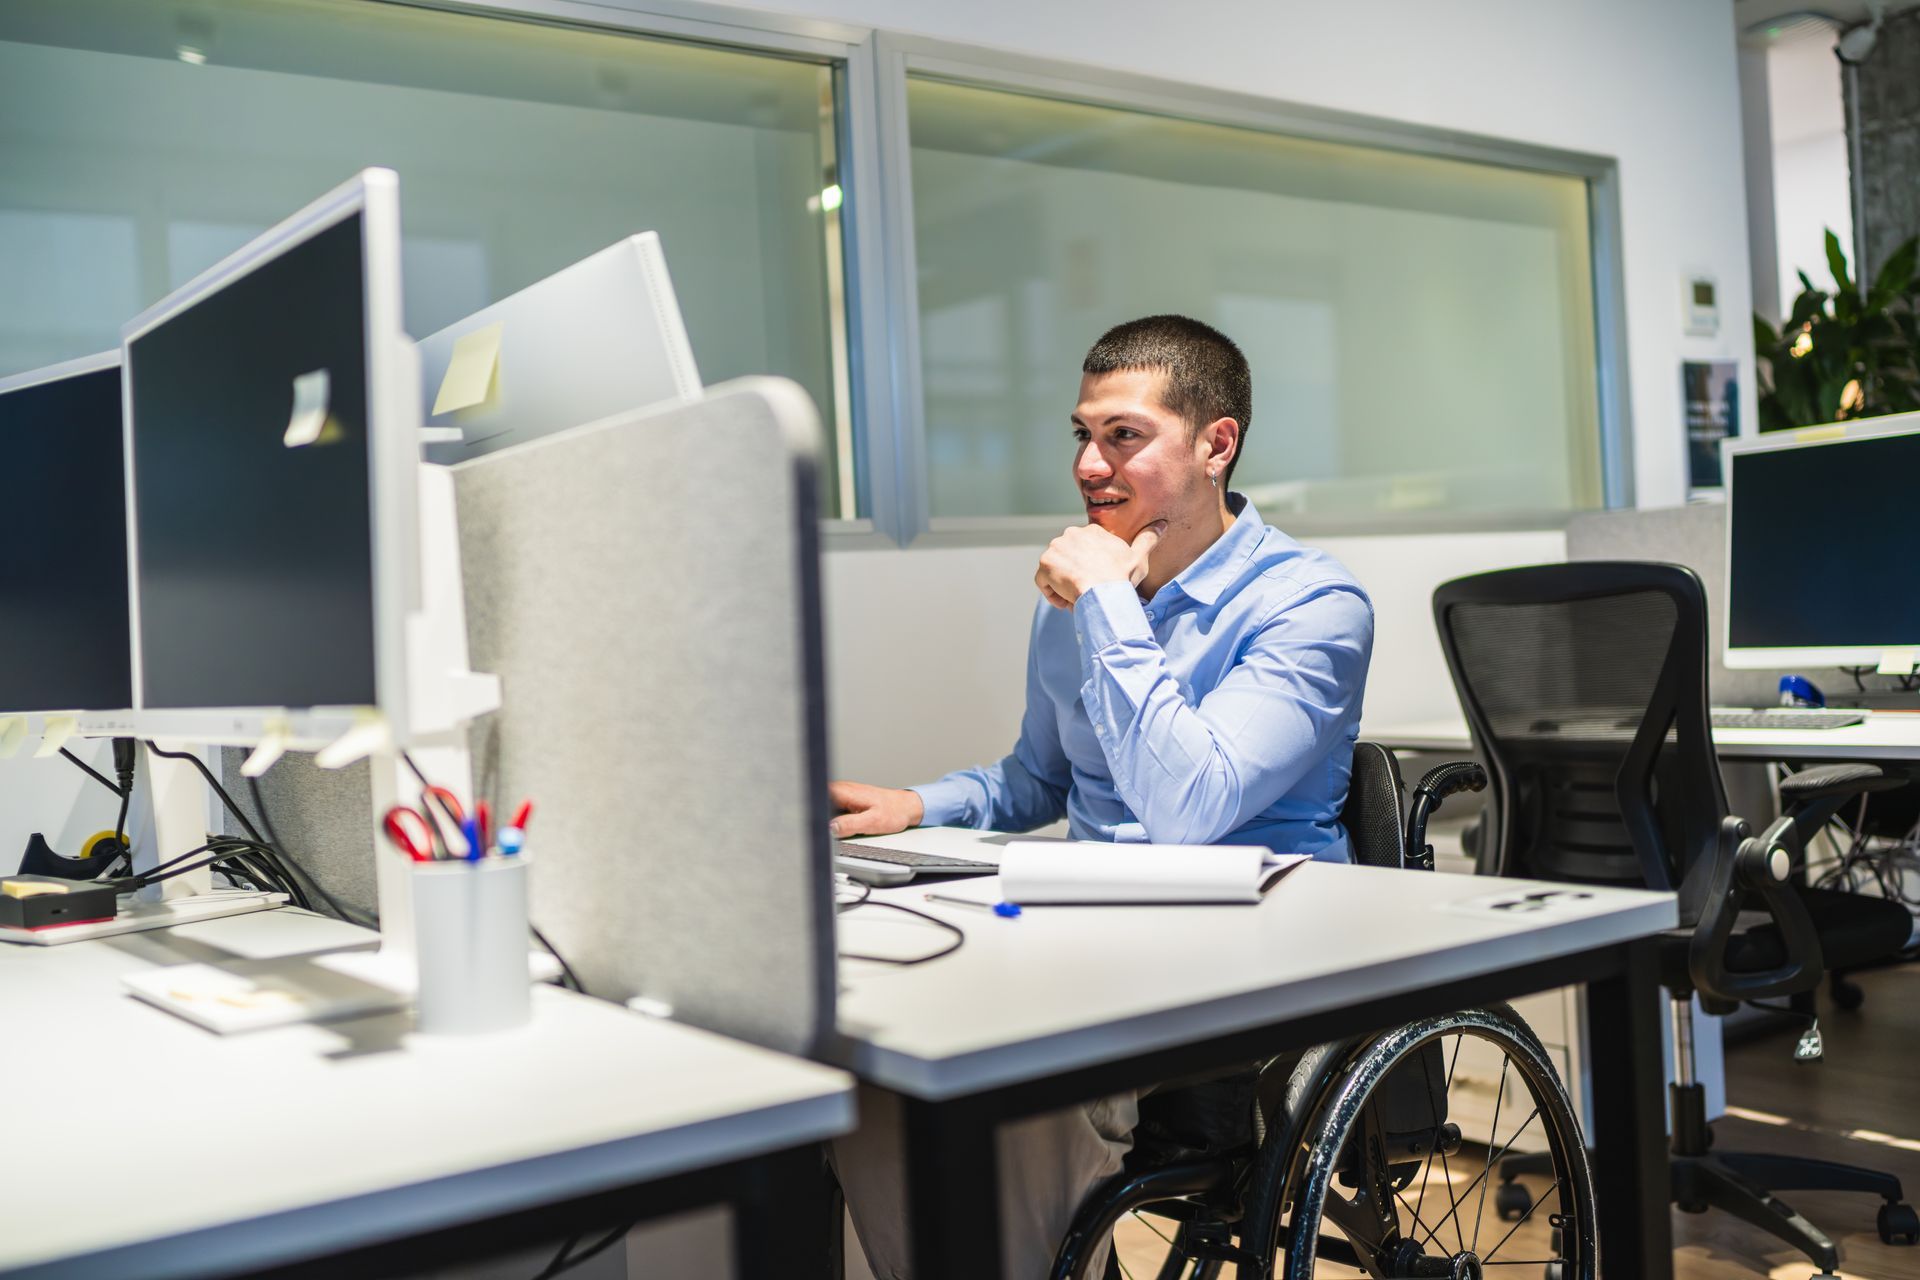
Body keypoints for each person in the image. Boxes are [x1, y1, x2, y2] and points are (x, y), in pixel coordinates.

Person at [828, 314, 1373, 1279]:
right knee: (876, 1063)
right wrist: (915, 807)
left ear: (1217, 444)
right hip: (1090, 929)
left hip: (1249, 958)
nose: (1088, 464)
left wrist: (1112, 609)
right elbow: (1040, 778)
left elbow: (1189, 810)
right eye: (1081, 434)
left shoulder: (1312, 606)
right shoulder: (1087, 593)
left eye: (1122, 435)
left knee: (996, 1075)